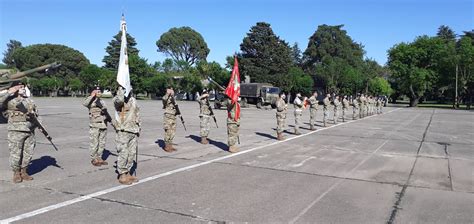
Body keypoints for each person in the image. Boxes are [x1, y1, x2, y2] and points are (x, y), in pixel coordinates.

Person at [1, 81, 37, 183]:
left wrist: (39, 126)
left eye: (23, 86)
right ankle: (16, 173)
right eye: (19, 86)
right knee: (15, 153)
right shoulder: (9, 100)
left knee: (28, 152)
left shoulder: (29, 100)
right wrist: (9, 92)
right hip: (15, 130)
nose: (22, 88)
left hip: (29, 130)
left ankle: (24, 171)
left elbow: (37, 115)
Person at [113, 86, 141, 185]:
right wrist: (121, 89)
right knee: (123, 153)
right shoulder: (117, 99)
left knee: (131, 153)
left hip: (133, 130)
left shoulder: (133, 100)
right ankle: (122, 174)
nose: (129, 90)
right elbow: (119, 101)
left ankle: (128, 172)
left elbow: (137, 113)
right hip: (123, 131)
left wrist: (139, 128)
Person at [82, 86, 109, 166]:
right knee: (94, 142)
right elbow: (85, 104)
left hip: (103, 124)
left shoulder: (102, 101)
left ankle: (99, 157)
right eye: (97, 91)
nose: (99, 93)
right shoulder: (90, 101)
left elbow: (105, 111)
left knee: (102, 142)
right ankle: (94, 159)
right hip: (94, 124)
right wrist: (92, 96)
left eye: (100, 91)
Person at [162, 86, 178, 152]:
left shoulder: (173, 98)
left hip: (173, 116)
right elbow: (164, 99)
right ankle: (166, 146)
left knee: (173, 132)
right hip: (168, 117)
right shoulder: (165, 97)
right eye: (170, 89)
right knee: (168, 131)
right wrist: (168, 93)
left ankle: (170, 145)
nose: (172, 91)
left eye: (172, 89)